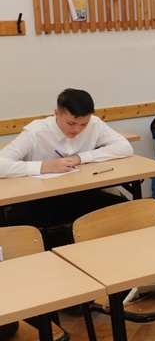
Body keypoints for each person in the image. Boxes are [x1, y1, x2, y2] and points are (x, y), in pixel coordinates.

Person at [0, 88, 133, 247]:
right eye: (71, 123)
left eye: (83, 124)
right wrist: (45, 166)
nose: (77, 129)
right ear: (57, 113)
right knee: (15, 232)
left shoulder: (94, 124)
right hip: (41, 199)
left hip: (79, 193)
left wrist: (80, 158)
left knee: (126, 211)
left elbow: (125, 147)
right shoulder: (36, 131)